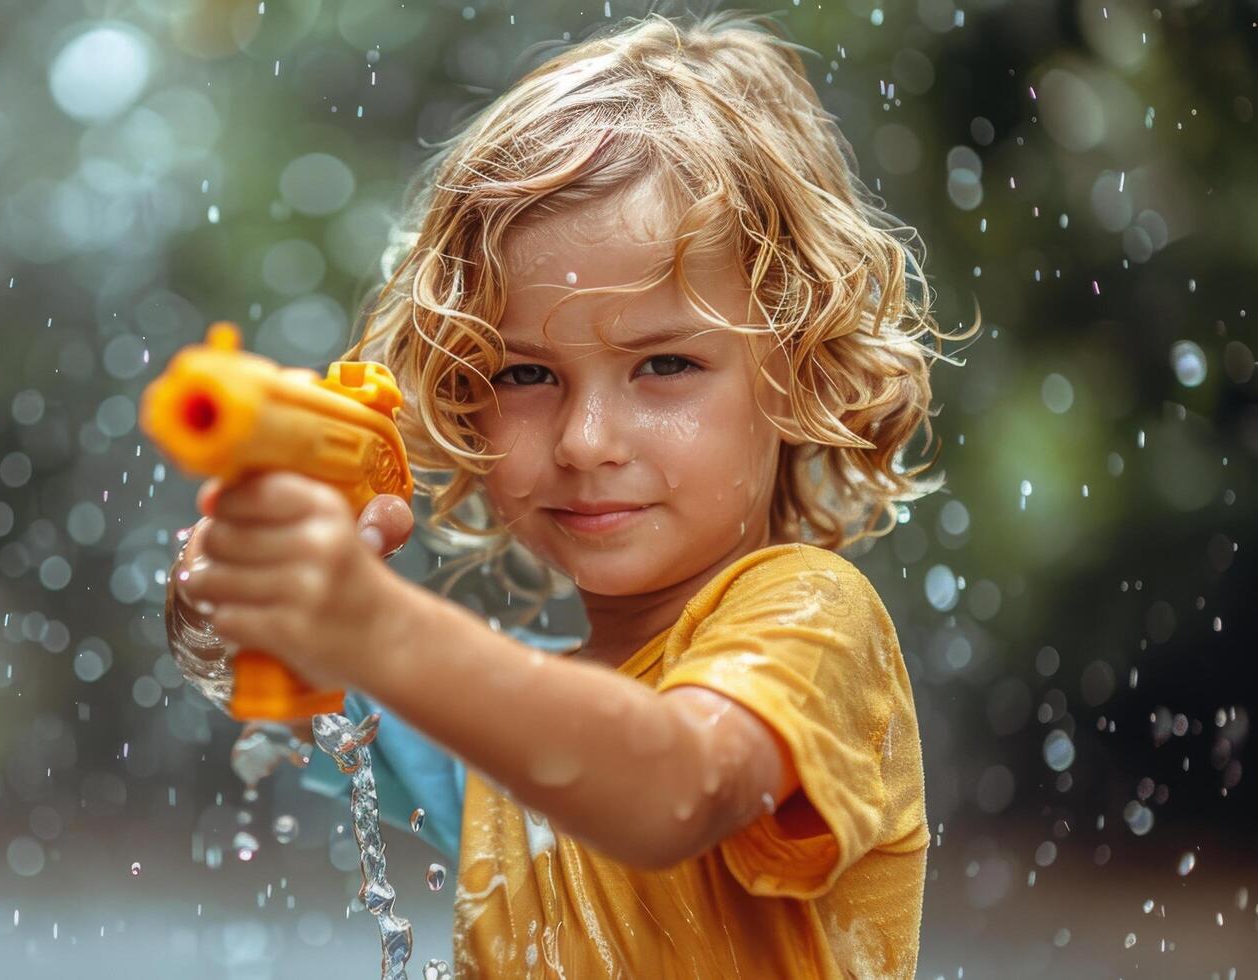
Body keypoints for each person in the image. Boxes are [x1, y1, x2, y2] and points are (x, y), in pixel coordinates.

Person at [168, 8, 977, 977]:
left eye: (665, 364)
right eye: (524, 375)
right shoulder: (506, 712)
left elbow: (672, 787)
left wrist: (372, 619)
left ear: (799, 373)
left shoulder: (813, 621)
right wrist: (227, 602)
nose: (587, 441)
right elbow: (294, 698)